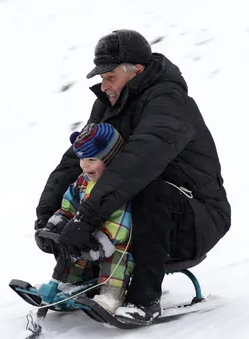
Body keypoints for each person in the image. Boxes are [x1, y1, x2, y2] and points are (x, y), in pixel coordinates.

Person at [35, 29, 231, 324]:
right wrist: (48, 215)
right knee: (90, 180)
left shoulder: (169, 104)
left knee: (147, 192)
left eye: (109, 77)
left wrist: (86, 218)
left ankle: (144, 299)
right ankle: (77, 278)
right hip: (140, 208)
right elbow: (78, 157)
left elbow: (138, 163)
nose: (104, 86)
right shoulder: (110, 103)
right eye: (102, 78)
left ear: (136, 71)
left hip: (197, 218)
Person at [35, 123, 134, 314]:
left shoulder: (120, 187)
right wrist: (57, 223)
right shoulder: (83, 181)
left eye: (91, 159)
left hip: (115, 241)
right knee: (71, 253)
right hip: (87, 237)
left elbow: (121, 222)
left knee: (116, 259)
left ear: (110, 159)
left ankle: (111, 294)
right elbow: (69, 205)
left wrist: (101, 241)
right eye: (81, 158)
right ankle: (68, 286)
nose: (84, 165)